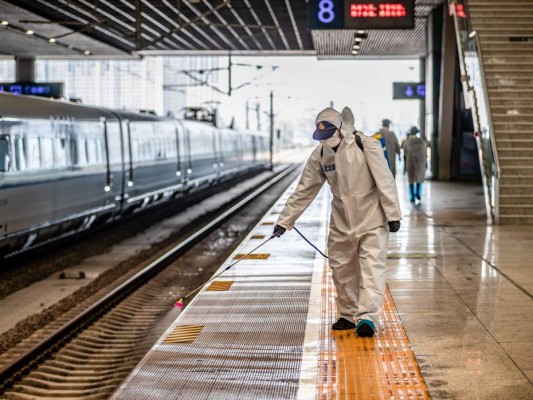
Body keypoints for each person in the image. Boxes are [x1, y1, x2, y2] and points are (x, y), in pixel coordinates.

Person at [272, 107, 402, 338]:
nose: (327, 141)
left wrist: (393, 214)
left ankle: (367, 319)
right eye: (322, 138)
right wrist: (285, 220)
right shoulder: (321, 154)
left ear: (341, 130)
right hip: (341, 222)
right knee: (342, 269)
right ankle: (347, 315)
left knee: (372, 269)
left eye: (330, 135)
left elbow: (385, 180)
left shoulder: (365, 145)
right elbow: (305, 189)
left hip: (372, 219)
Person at [403, 126, 428, 202]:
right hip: (420, 163)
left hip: (410, 162)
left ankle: (412, 196)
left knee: (411, 179)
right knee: (419, 178)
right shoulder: (422, 142)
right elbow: (425, 154)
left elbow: (405, 152)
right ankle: (418, 193)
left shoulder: (407, 142)